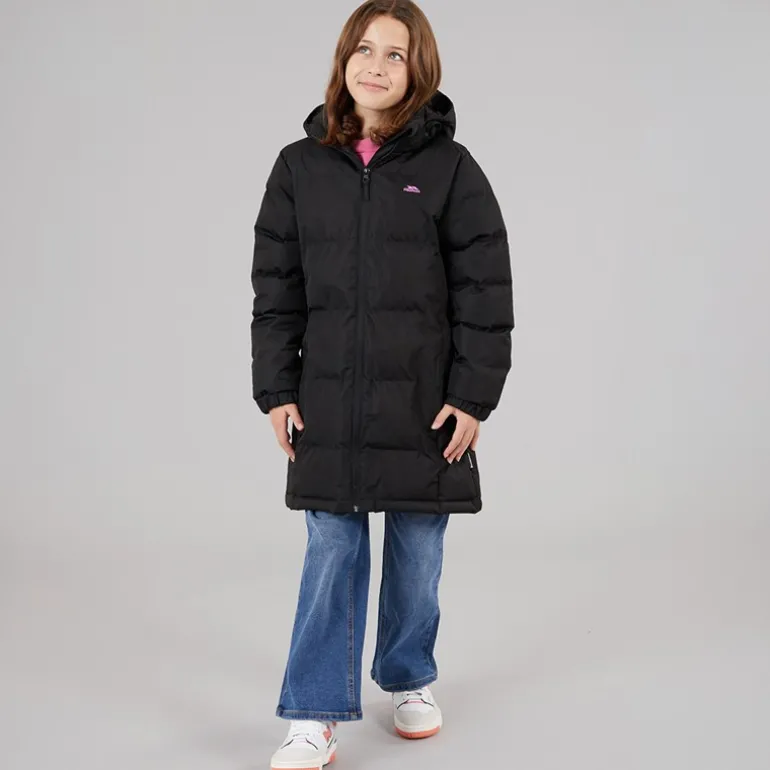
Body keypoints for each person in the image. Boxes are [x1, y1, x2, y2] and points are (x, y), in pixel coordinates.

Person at [250, 1, 514, 767]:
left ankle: (407, 675)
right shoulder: (298, 169)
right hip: (328, 400)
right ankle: (313, 710)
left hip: (424, 403)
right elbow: (276, 290)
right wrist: (277, 389)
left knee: (418, 554)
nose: (376, 65)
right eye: (364, 49)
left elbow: (485, 290)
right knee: (331, 550)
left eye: (395, 54)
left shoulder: (451, 170)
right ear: (343, 61)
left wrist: (472, 396)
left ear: (417, 71)